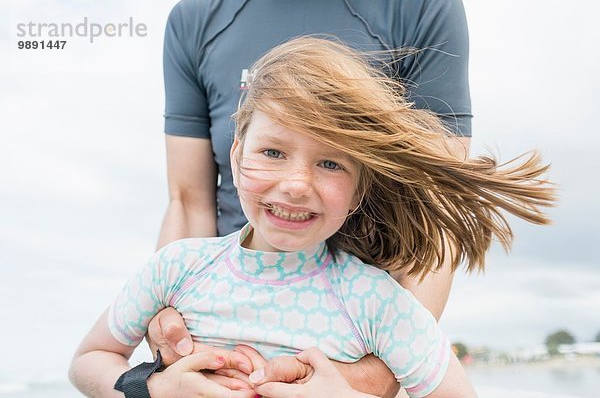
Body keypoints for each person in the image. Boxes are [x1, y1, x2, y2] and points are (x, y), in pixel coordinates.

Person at [69, 37, 554, 398]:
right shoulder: (175, 268)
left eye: (330, 163)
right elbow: (89, 361)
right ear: (236, 156)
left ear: (361, 186)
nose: (298, 183)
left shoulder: (375, 301)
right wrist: (152, 389)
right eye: (273, 151)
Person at [152, 0, 472, 393]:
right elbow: (188, 201)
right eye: (273, 152)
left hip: (354, 335)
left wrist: (372, 375)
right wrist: (169, 336)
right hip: (220, 346)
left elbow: (435, 206)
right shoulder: (195, 19)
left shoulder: (419, 6)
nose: (297, 184)